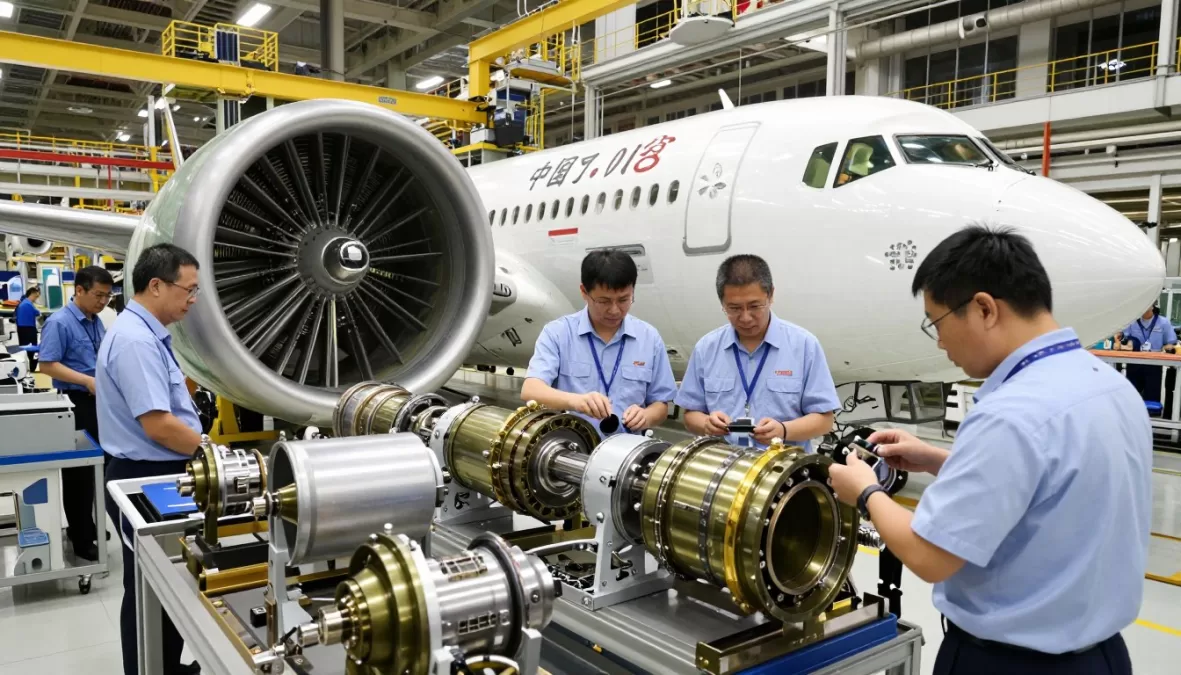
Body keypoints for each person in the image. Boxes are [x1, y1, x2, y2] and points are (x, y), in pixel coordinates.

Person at [830, 225, 1149, 675]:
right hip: (1105, 658)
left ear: (983, 309)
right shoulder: (1110, 388)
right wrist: (940, 459)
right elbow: (1052, 487)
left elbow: (928, 555)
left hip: (1007, 662)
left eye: (937, 322)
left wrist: (865, 492)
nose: (940, 341)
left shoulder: (1009, 413)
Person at [98, 243, 203, 675]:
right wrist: (210, 451)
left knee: (166, 588)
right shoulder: (136, 341)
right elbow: (159, 426)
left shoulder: (146, 334)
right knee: (150, 591)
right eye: (188, 290)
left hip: (156, 473)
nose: (192, 300)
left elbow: (171, 401)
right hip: (149, 479)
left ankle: (164, 665)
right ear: (156, 285)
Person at [675, 255, 839, 451]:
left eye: (755, 306)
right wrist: (706, 424)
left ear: (771, 296)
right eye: (733, 308)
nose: (745, 317)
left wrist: (783, 430)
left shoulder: (804, 345)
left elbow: (825, 420)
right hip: (725, 467)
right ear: (722, 303)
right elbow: (690, 414)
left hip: (782, 470)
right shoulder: (707, 348)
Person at [522, 249, 677, 434]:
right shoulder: (558, 333)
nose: (614, 310)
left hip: (628, 453)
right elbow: (531, 390)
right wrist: (576, 401)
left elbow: (661, 404)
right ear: (584, 292)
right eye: (603, 301)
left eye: (624, 300)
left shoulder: (649, 338)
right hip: (571, 449)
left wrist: (647, 416)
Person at [39, 265, 114, 561]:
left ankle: (89, 526)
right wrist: (85, 380)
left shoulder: (96, 322)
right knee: (80, 472)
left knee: (97, 466)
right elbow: (47, 365)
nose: (103, 301)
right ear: (78, 290)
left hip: (97, 400)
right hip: (74, 402)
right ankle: (81, 537)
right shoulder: (59, 323)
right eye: (98, 295)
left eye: (108, 296)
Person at [1114, 304, 1177, 406]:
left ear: (1153, 306)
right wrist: (1118, 338)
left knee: (1151, 398)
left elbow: (1170, 342)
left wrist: (1167, 348)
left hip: (1154, 363)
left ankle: (1151, 414)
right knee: (1131, 397)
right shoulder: (1132, 321)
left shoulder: (1163, 322)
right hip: (1134, 363)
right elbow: (1123, 338)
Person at [15, 285, 41, 371]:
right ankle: (33, 367)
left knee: (23, 349)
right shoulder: (28, 304)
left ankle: (25, 368)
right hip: (29, 329)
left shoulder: (22, 303)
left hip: (21, 329)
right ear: (32, 294)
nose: (36, 299)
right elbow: (37, 313)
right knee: (34, 349)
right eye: (36, 296)